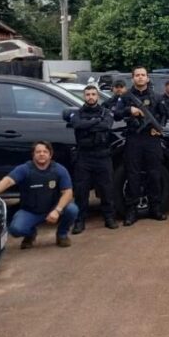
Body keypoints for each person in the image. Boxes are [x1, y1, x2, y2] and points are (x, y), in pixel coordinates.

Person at [0, 141, 78, 249]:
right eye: (38, 152)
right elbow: (8, 180)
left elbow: (68, 192)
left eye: (45, 152)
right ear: (33, 154)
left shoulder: (59, 170)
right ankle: (30, 234)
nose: (41, 154)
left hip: (53, 209)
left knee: (72, 210)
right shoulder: (24, 169)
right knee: (16, 229)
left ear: (50, 154)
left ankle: (62, 234)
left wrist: (57, 210)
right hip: (30, 211)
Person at [114, 66, 169, 225]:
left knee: (154, 174)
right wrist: (128, 110)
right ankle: (131, 211)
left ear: (147, 78)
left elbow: (165, 114)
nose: (140, 77)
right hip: (134, 139)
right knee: (133, 175)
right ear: (133, 78)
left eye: (143, 75)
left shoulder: (157, 97)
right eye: (137, 75)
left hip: (152, 140)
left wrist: (159, 130)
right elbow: (116, 114)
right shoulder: (126, 97)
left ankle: (155, 208)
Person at [68, 84, 117, 233]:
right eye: (88, 94)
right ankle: (79, 221)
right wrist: (95, 122)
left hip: (102, 156)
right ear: (84, 96)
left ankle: (109, 218)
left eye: (93, 94)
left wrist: (87, 126)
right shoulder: (77, 113)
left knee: (106, 189)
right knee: (81, 192)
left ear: (97, 96)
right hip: (84, 157)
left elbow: (107, 126)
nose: (91, 97)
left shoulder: (106, 112)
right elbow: (77, 124)